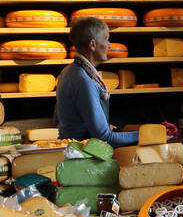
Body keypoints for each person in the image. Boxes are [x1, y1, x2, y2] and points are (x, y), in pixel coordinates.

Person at [55, 16, 139, 147]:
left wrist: (101, 124)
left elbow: (60, 119)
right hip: (83, 154)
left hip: (73, 149)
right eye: (106, 39)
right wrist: (144, 134)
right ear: (93, 45)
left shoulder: (67, 71)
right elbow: (105, 137)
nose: (109, 45)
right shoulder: (84, 81)